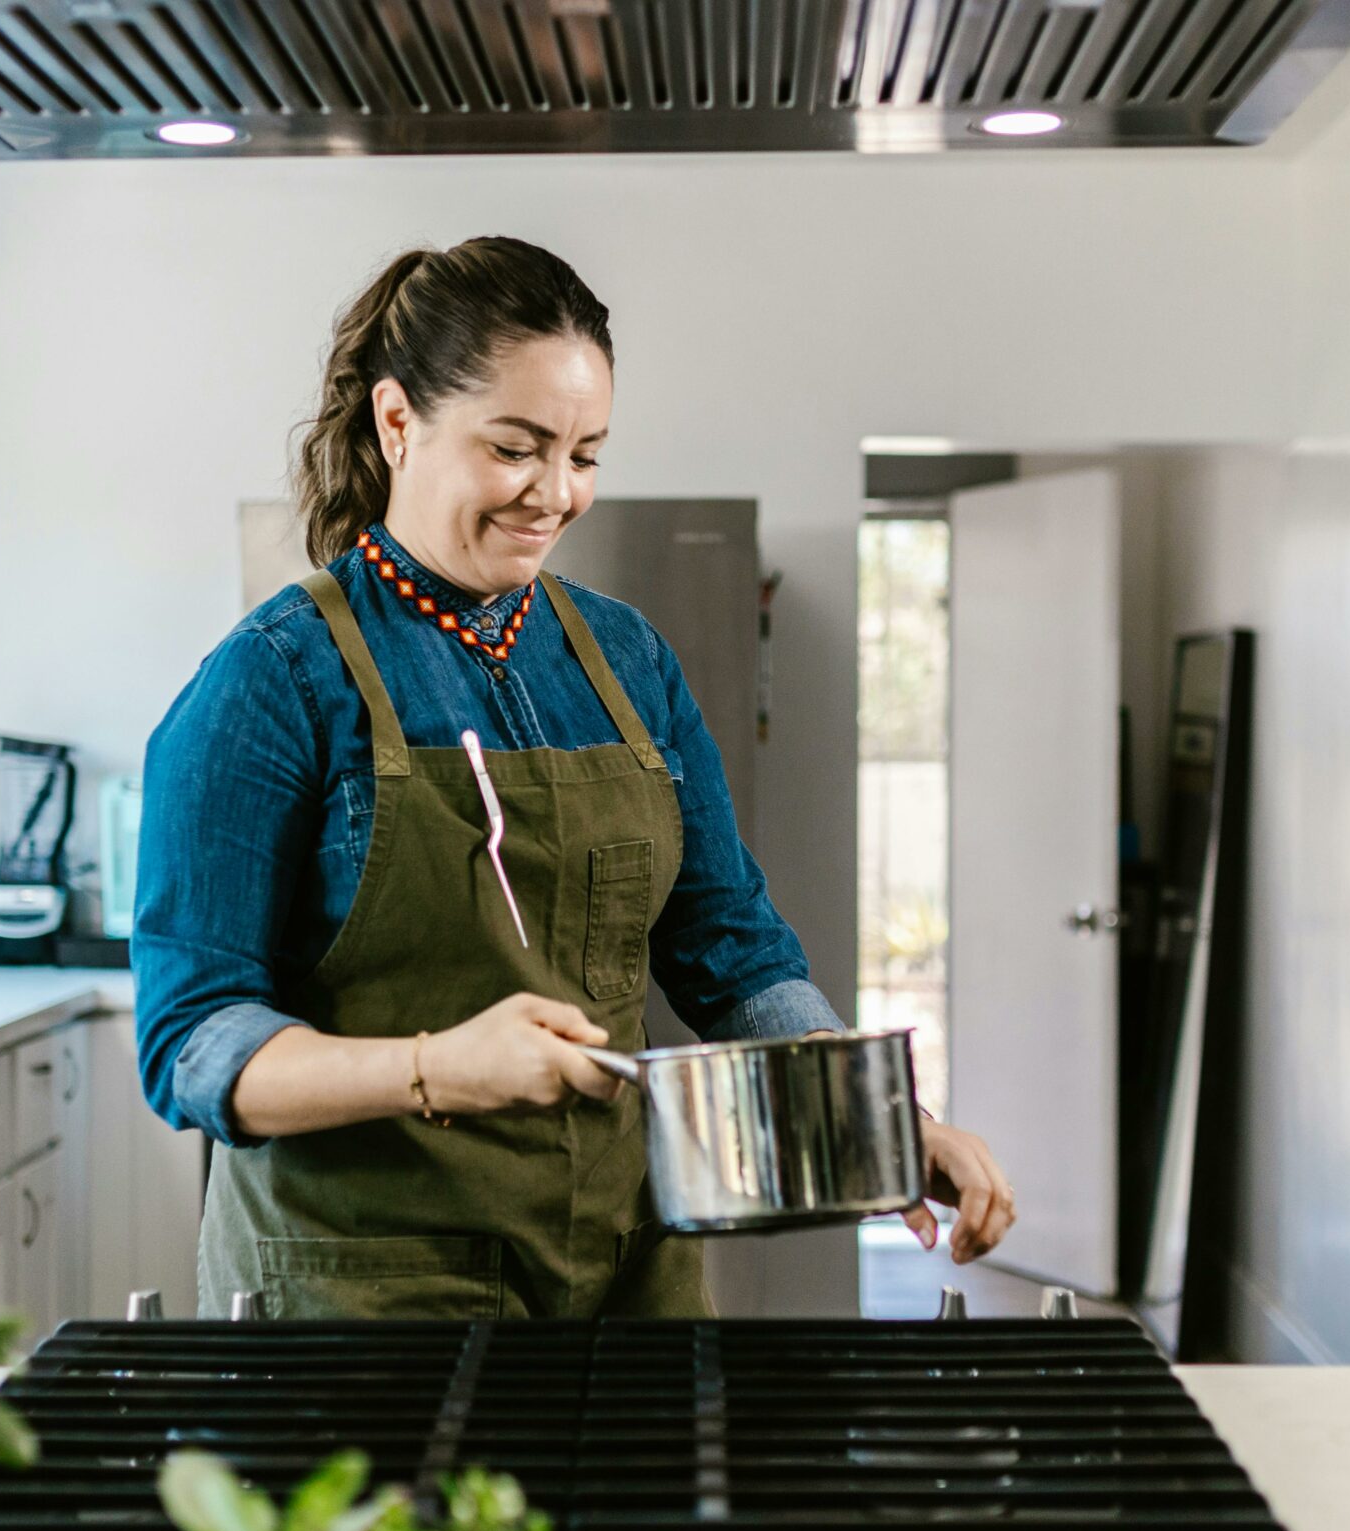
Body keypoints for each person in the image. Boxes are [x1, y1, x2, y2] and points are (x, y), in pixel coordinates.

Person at [134, 236, 1014, 1319]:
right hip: (359, 1302)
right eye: (516, 448)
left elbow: (729, 948)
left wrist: (880, 1123)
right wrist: (434, 1068)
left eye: (586, 454)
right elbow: (192, 1043)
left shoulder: (627, 658)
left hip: (619, 1280)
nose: (556, 494)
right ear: (397, 421)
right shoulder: (270, 681)